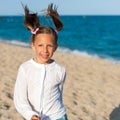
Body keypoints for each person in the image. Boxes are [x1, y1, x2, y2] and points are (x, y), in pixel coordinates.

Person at [14, 3, 68, 120]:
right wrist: (30, 115)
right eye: (40, 45)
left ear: (55, 47)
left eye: (49, 46)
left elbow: (59, 96)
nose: (45, 50)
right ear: (33, 46)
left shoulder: (60, 70)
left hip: (57, 116)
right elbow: (20, 99)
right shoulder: (25, 68)